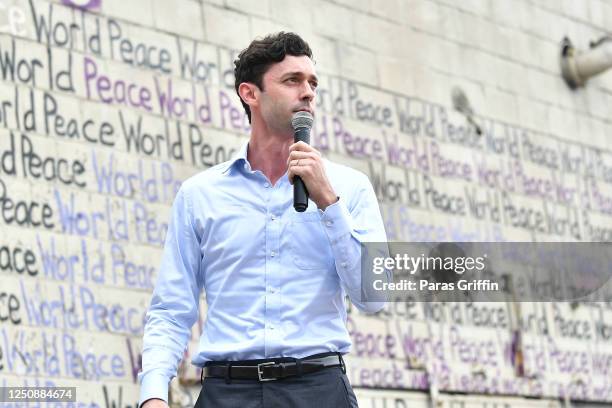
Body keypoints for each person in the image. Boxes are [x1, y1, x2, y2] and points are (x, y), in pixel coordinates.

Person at [138, 32, 388, 408]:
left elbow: (373, 296)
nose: (307, 92)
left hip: (319, 391)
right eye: (292, 81)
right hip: (227, 392)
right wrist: (153, 394)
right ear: (250, 93)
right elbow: (171, 309)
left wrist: (328, 203)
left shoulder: (349, 188)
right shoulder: (199, 195)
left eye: (312, 83)